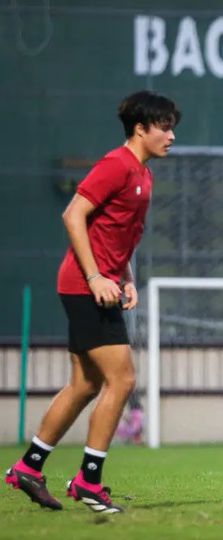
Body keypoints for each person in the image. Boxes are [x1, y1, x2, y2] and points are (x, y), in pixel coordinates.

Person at [4, 90, 181, 513]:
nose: (172, 136)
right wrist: (96, 276)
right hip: (84, 287)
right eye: (165, 127)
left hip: (99, 285)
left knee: (85, 384)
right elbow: (73, 214)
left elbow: (118, 235)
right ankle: (89, 480)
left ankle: (29, 469)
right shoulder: (116, 165)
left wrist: (127, 277)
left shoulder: (144, 172)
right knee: (122, 381)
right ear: (140, 129)